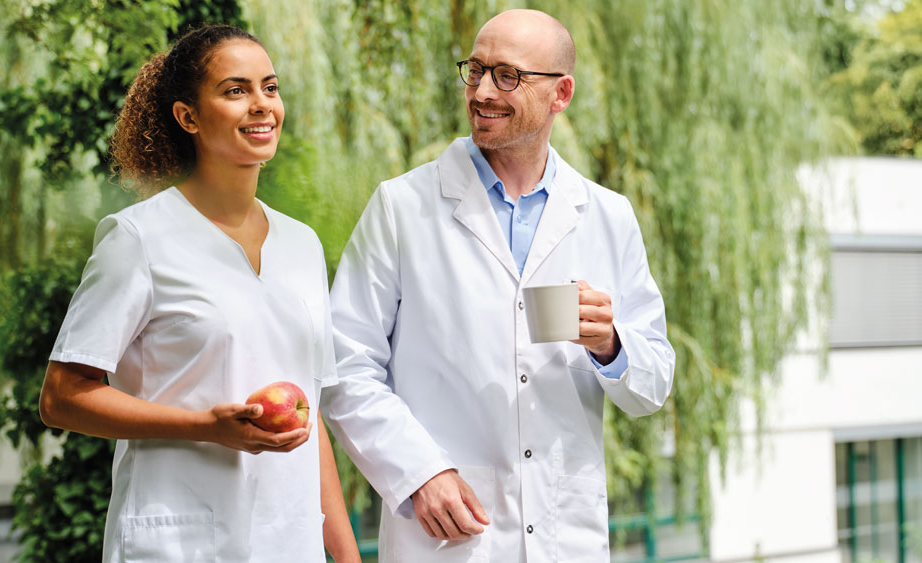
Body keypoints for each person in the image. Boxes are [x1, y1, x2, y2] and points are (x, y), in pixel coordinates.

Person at [321, 9, 675, 562]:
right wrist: (419, 472)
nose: (483, 90)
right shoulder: (402, 207)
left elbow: (652, 386)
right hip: (448, 534)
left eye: (507, 75)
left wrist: (611, 345)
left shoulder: (608, 215)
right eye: (476, 70)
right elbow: (344, 365)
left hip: (567, 535)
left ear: (561, 93)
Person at [38, 24, 360, 563]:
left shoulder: (301, 245)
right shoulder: (139, 238)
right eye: (236, 91)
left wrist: (346, 558)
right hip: (177, 543)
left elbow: (311, 414)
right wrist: (204, 428)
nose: (261, 106)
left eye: (270, 88)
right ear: (188, 116)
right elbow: (61, 396)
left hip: (288, 542)